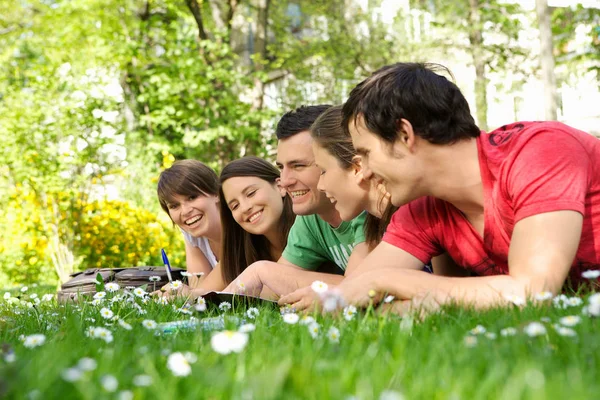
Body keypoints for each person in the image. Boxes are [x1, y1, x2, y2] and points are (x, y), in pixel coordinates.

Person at [334, 62, 600, 312]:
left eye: (366, 153)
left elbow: (531, 292)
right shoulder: (423, 208)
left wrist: (388, 281)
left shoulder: (540, 153)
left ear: (405, 135)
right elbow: (348, 299)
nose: (364, 173)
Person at [223, 105, 369, 298]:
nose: (284, 181)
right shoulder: (310, 219)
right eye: (281, 167)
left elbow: (356, 287)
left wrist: (263, 272)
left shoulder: (369, 207)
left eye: (298, 165)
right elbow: (270, 292)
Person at [181, 156, 297, 296]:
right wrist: (175, 293)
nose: (245, 208)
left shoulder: (309, 228)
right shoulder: (243, 247)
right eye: (235, 206)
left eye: (251, 193)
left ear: (280, 186)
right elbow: (203, 294)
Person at [157, 160, 221, 286]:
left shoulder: (240, 223)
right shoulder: (192, 232)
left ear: (216, 193)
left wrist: (188, 295)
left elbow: (201, 293)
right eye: (174, 206)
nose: (185, 211)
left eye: (192, 197)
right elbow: (199, 286)